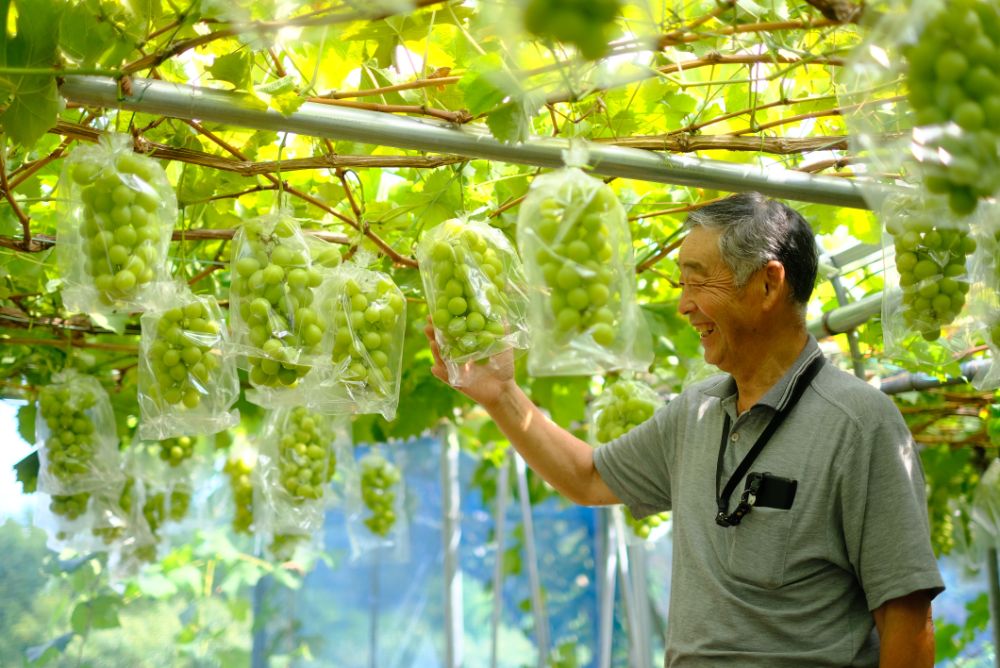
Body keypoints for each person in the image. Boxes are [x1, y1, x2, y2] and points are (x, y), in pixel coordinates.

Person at [424, 192, 944, 667]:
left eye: (698, 280)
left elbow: (906, 619)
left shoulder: (860, 422)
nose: (683, 304)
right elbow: (586, 476)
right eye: (682, 284)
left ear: (768, 283)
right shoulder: (694, 412)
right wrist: (501, 394)